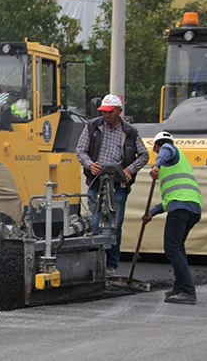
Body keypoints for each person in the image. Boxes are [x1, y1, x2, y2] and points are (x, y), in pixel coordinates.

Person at [76, 94, 149, 276]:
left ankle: (111, 264)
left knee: (115, 223)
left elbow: (144, 155)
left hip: (118, 183)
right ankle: (94, 262)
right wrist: (89, 164)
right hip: (96, 181)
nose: (106, 115)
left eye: (109, 112)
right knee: (95, 221)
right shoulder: (93, 126)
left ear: (119, 111)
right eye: (103, 111)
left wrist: (129, 170)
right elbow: (80, 150)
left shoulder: (130, 132)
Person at [142, 131, 202, 305]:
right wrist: (151, 213)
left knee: (172, 248)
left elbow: (167, 148)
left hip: (181, 207)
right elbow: (168, 200)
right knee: (178, 248)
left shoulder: (170, 150)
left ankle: (189, 292)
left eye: (156, 151)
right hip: (192, 207)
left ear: (156, 146)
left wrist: (156, 165)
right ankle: (180, 287)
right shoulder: (176, 164)